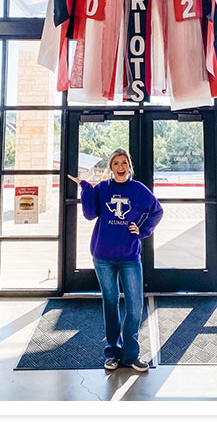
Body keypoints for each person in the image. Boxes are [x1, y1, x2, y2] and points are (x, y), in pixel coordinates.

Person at [66, 148, 163, 371]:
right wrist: (85, 187)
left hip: (129, 256)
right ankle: (112, 352)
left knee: (135, 306)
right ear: (111, 167)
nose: (121, 167)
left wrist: (142, 229)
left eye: (124, 163)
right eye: (116, 163)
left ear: (129, 166)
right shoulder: (103, 188)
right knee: (110, 303)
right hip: (103, 256)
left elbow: (157, 211)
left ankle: (130, 355)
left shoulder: (138, 190)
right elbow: (90, 214)